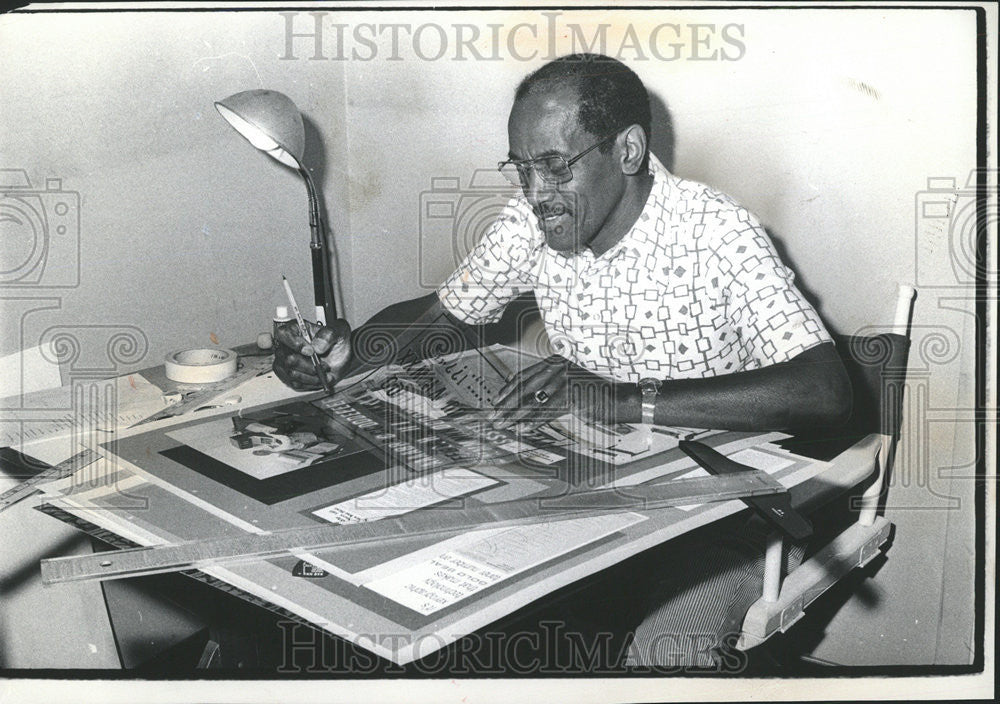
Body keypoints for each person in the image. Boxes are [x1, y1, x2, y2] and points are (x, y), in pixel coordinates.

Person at [274, 53, 851, 668]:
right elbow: (443, 312)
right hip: (596, 497)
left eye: (553, 167)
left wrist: (623, 398)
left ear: (627, 151)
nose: (534, 193)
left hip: (725, 512)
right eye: (521, 169)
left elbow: (825, 391)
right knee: (422, 603)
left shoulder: (717, 233)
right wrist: (347, 351)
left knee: (660, 656)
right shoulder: (537, 219)